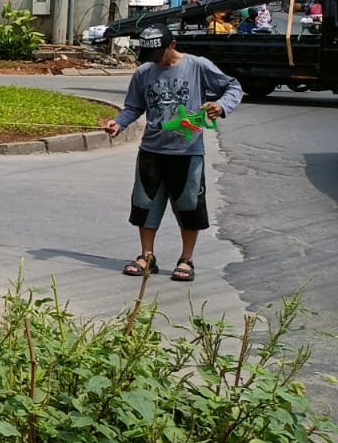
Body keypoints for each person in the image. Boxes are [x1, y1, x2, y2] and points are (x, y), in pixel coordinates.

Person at [102, 24, 243, 282]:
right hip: (152, 150)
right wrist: (119, 123)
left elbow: (233, 87)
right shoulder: (144, 72)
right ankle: (147, 256)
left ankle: (186, 259)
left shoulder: (197, 66)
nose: (155, 62)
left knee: (189, 205)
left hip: (187, 151)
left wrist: (220, 106)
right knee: (145, 204)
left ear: (173, 45)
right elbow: (134, 106)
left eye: (160, 55)